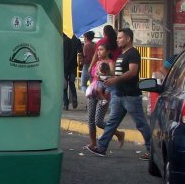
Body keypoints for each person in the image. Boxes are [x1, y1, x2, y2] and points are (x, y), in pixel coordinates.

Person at [86, 28, 151, 159]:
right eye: (117, 38)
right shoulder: (121, 54)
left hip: (131, 96)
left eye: (120, 38)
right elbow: (117, 73)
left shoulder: (133, 53)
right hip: (119, 94)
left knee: (141, 124)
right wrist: (107, 76)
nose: (117, 40)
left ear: (128, 39)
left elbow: (132, 72)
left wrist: (115, 79)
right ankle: (101, 147)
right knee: (111, 123)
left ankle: (152, 150)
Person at [84, 44, 124, 150]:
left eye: (101, 50)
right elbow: (93, 76)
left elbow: (112, 76)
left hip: (105, 93)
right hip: (94, 92)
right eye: (98, 50)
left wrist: (104, 72)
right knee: (90, 120)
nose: (99, 52)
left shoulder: (111, 63)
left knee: (99, 121)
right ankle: (93, 143)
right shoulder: (97, 62)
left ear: (107, 51)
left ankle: (118, 133)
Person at [62, 34, 82, 110]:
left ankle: (65, 104)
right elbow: (80, 52)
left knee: (64, 85)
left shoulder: (61, 39)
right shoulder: (76, 39)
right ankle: (74, 98)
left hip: (63, 66)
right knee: (71, 83)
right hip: (73, 66)